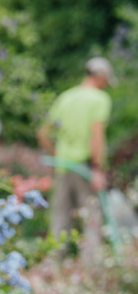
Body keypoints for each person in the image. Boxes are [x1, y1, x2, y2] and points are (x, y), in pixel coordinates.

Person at [38, 55, 114, 239]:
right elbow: (97, 136)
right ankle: (91, 266)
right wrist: (97, 169)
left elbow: (42, 133)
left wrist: (57, 156)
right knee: (92, 220)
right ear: (100, 76)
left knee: (60, 219)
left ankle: (54, 264)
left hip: (63, 166)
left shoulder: (66, 97)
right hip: (84, 166)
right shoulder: (99, 99)